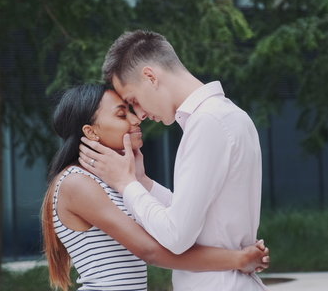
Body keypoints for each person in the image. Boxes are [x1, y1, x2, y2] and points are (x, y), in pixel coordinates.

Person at [78, 30, 267, 290]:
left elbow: (177, 236)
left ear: (150, 77)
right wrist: (142, 182)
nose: (140, 114)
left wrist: (126, 184)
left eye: (134, 101)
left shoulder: (207, 123)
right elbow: (196, 213)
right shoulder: (231, 116)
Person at [42, 84, 269, 291]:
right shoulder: (77, 183)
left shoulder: (115, 180)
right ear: (91, 132)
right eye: (122, 114)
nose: (135, 119)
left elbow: (177, 222)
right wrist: (237, 259)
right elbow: (151, 251)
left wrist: (139, 179)